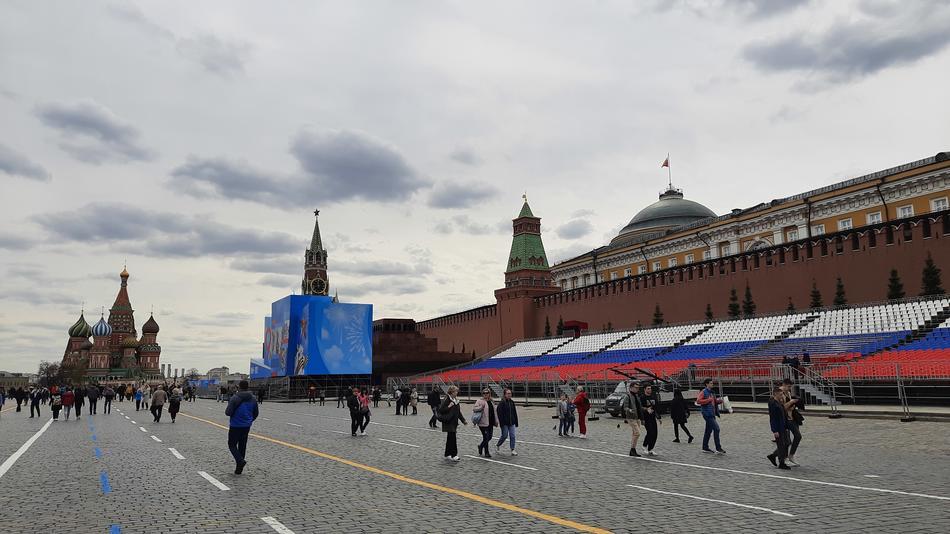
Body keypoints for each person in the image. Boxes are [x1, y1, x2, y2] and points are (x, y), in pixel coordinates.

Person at [225, 380, 259, 474]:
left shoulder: (235, 398)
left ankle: (240, 461)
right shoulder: (253, 398)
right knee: (242, 445)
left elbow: (228, 412)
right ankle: (239, 469)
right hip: (246, 425)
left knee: (232, 445)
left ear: (239, 387)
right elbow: (256, 413)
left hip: (235, 425)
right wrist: (249, 420)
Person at [696, 378, 725, 454]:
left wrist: (720, 401)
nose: (712, 384)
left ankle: (705, 447)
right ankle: (718, 448)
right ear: (707, 384)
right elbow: (698, 401)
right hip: (707, 414)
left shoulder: (712, 392)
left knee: (708, 431)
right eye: (711, 383)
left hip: (711, 413)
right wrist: (708, 400)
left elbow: (714, 401)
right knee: (716, 429)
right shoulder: (703, 392)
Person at [438, 385, 467, 462]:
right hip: (448, 421)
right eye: (455, 391)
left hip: (454, 422)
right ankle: (454, 455)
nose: (457, 393)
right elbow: (441, 410)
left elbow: (458, 412)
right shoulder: (447, 399)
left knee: (450, 438)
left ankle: (447, 454)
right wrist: (449, 406)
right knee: (453, 438)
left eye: (457, 391)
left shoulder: (455, 400)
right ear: (451, 392)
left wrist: (463, 420)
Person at [780, 379, 804, 466]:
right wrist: (791, 402)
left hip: (792, 417)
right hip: (785, 419)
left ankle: (789, 455)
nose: (789, 388)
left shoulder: (788, 393)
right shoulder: (779, 394)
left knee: (795, 437)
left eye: (790, 387)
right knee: (792, 438)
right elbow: (781, 408)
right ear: (784, 385)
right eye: (788, 386)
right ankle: (786, 456)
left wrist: (794, 405)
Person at [767, 388, 792, 470]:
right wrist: (775, 430)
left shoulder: (779, 402)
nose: (782, 396)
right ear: (775, 394)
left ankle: (773, 455)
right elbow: (773, 418)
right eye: (780, 394)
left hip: (783, 426)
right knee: (781, 445)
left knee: (787, 442)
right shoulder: (773, 404)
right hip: (778, 427)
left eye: (782, 394)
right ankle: (781, 463)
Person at [620, 382, 644, 456]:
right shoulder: (627, 396)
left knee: (635, 433)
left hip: (637, 417)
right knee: (637, 433)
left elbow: (639, 407)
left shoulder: (636, 396)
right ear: (631, 388)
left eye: (638, 387)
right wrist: (630, 410)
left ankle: (633, 450)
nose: (637, 389)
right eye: (636, 387)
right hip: (631, 417)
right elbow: (625, 407)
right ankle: (632, 449)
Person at [473, 389, 497, 457]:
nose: (485, 394)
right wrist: (481, 407)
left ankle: (480, 446)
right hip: (483, 423)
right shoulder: (480, 401)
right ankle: (486, 452)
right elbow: (474, 409)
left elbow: (494, 412)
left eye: (487, 393)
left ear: (489, 394)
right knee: (486, 437)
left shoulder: (491, 401)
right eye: (484, 393)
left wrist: (496, 421)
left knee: (490, 437)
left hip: (490, 422)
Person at [495, 388, 519, 455]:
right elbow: (499, 413)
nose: (509, 395)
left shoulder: (512, 402)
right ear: (505, 394)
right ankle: (498, 445)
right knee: (504, 435)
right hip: (504, 423)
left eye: (510, 393)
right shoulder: (502, 403)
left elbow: (514, 413)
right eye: (508, 393)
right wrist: (501, 423)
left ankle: (512, 449)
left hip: (512, 422)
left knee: (513, 436)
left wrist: (516, 422)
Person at [640, 384, 662, 456]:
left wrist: (658, 418)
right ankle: (644, 446)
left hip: (653, 417)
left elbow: (655, 408)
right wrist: (646, 409)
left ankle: (650, 449)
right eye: (648, 388)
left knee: (655, 433)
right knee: (650, 432)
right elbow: (640, 408)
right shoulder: (642, 397)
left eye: (650, 388)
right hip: (646, 418)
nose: (650, 390)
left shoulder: (653, 397)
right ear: (645, 389)